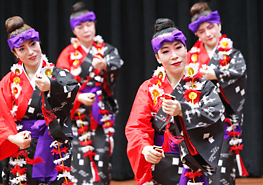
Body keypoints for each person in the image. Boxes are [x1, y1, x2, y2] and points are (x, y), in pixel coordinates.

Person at [125, 18, 225, 185]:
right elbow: (136, 127)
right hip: (160, 163)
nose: (174, 56)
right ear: (157, 58)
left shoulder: (203, 85)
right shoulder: (148, 88)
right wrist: (145, 148)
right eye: (165, 52)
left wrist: (183, 110)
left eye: (178, 48)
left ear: (186, 48)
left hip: (194, 163)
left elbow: (215, 114)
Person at [0, 16, 79, 185]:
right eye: (22, 48)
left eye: (33, 44)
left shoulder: (57, 74)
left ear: (39, 42)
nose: (30, 52)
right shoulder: (8, 82)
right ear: (14, 53)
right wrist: (13, 138)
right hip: (23, 145)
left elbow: (73, 88)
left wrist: (51, 85)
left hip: (54, 144)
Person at [56, 2, 123, 185]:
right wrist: (78, 97)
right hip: (77, 115)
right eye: (80, 26)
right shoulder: (67, 55)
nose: (86, 30)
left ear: (94, 24)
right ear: (73, 31)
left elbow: (117, 64)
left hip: (101, 112)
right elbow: (59, 87)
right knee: (80, 158)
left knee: (103, 157)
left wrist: (106, 66)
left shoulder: (106, 50)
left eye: (89, 24)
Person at [187, 2, 248, 185]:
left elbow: (239, 74)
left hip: (224, 120)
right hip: (199, 121)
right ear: (197, 34)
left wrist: (216, 75)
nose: (208, 34)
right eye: (202, 31)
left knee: (222, 170)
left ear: (219, 25)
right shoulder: (191, 57)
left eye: (211, 28)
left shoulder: (232, 55)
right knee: (198, 172)